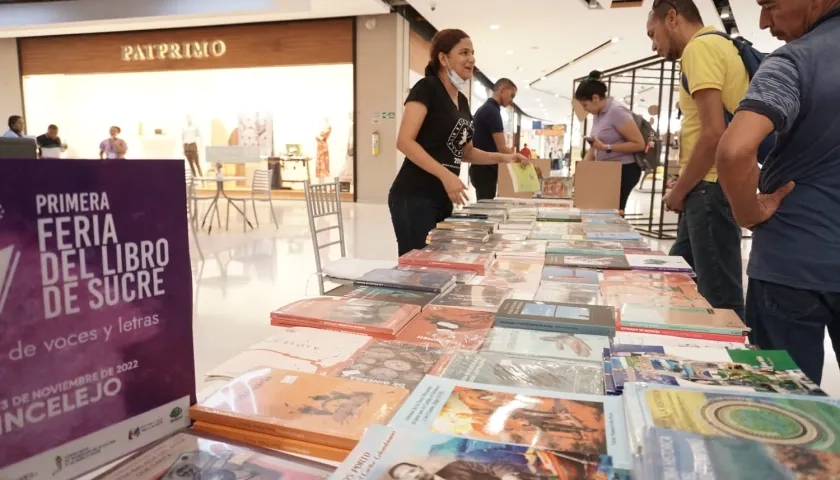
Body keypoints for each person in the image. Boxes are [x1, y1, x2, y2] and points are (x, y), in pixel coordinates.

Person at [715, 0, 840, 384]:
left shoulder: (795, 60)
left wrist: (747, 213)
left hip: (793, 261)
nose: (764, 23)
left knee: (780, 410)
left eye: (770, 5)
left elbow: (734, 149)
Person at [646, 0, 747, 319]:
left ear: (671, 17)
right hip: (707, 186)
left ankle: (728, 367)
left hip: (711, 186)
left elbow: (713, 133)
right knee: (681, 277)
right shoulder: (718, 44)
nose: (653, 45)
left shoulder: (699, 49)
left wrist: (680, 190)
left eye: (653, 33)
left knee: (718, 299)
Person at [389, 29, 529, 256]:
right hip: (414, 194)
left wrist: (506, 157)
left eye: (472, 53)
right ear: (444, 58)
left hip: (443, 197)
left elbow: (466, 153)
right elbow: (404, 141)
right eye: (464, 52)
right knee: (418, 269)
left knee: (439, 266)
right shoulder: (427, 88)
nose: (471, 59)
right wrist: (446, 175)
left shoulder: (462, 101)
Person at [574, 71, 646, 215]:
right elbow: (594, 149)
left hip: (624, 170)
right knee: (602, 210)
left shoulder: (617, 111)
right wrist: (579, 173)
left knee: (613, 212)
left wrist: (607, 147)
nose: (584, 109)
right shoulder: (598, 114)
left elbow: (639, 144)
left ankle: (616, 236)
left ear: (595, 98)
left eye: (585, 105)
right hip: (606, 170)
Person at [469, 78, 517, 200]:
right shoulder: (492, 111)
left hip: (480, 168)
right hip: (485, 170)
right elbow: (501, 147)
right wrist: (517, 159)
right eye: (511, 95)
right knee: (485, 211)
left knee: (484, 207)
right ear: (503, 89)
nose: (511, 100)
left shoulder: (485, 109)